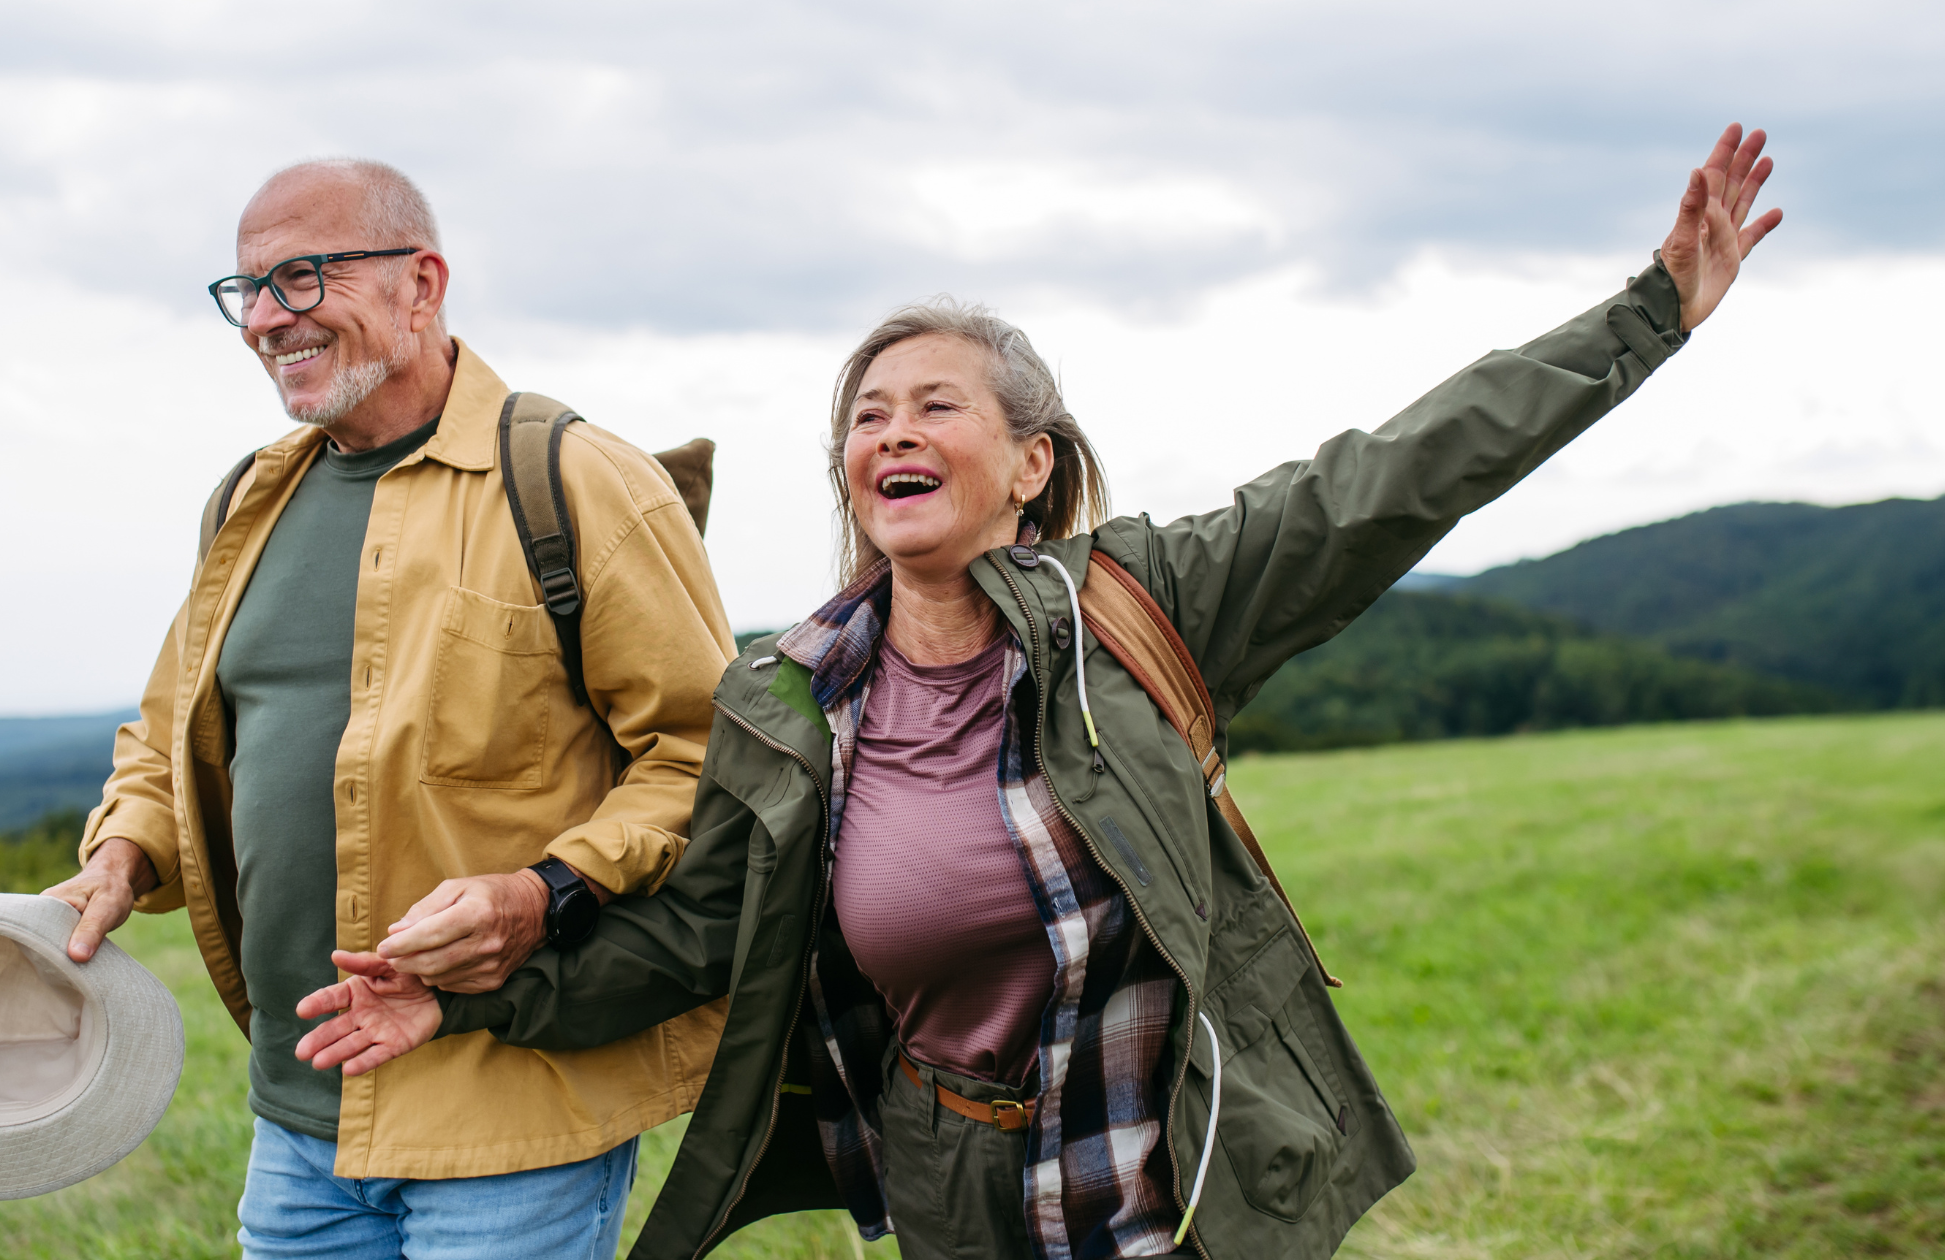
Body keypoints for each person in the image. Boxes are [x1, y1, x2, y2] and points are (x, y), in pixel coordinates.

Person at [347, 125, 1781, 1259]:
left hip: (1165, 1167)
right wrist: (483, 1000)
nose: (891, 433)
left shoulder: (1140, 603)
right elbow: (700, 935)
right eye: (865, 417)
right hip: (952, 1184)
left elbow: (1387, 484)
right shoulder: (795, 699)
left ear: (1030, 463)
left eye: (934, 407)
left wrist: (1647, 317)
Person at [41, 158, 735, 1259]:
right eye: (248, 290)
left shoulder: (578, 478)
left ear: (421, 284)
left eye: (305, 278)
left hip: (511, 1114)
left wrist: (541, 889)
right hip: (296, 1117)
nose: (267, 319)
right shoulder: (246, 499)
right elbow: (171, 730)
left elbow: (707, 760)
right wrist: (125, 851)